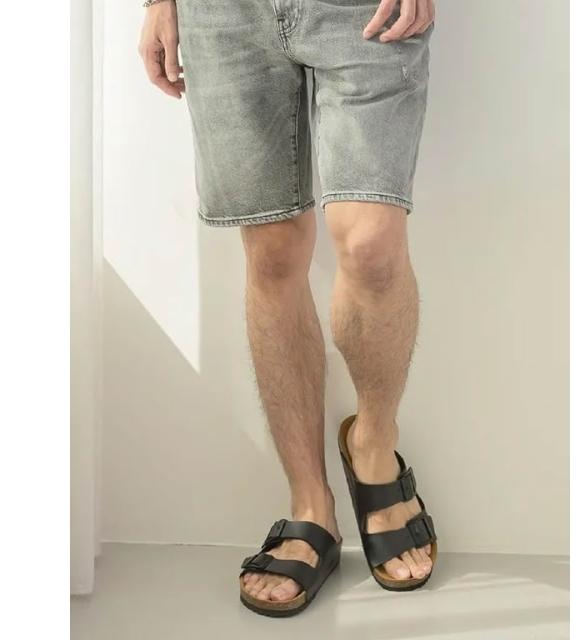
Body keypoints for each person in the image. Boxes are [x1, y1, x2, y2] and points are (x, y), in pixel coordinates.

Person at [139, 0, 438, 617]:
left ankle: (374, 445)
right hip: (223, 14)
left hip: (364, 12)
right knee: (273, 252)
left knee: (371, 245)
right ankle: (311, 507)